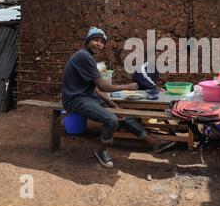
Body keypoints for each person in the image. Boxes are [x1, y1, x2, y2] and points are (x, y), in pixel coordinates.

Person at [62, 27, 175, 169]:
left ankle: (155, 143)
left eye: (102, 42)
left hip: (88, 97)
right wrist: (128, 86)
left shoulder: (88, 58)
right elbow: (103, 86)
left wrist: (114, 105)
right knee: (111, 120)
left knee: (122, 113)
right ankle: (101, 151)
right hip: (74, 100)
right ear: (87, 41)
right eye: (96, 40)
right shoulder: (83, 57)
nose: (99, 44)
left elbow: (95, 88)